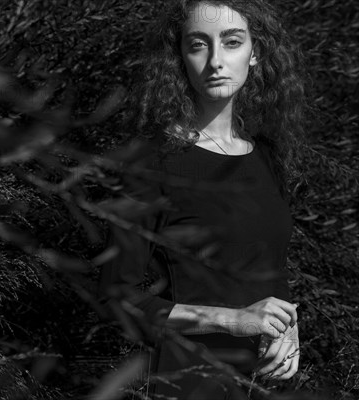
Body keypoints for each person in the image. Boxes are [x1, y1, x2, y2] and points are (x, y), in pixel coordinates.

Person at [98, 0, 308, 398]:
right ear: (179, 56)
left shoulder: (266, 157)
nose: (215, 60)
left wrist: (286, 331)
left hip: (267, 382)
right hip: (189, 381)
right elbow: (116, 297)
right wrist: (231, 321)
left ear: (255, 52)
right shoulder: (152, 161)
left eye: (231, 42)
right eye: (198, 44)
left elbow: (269, 270)